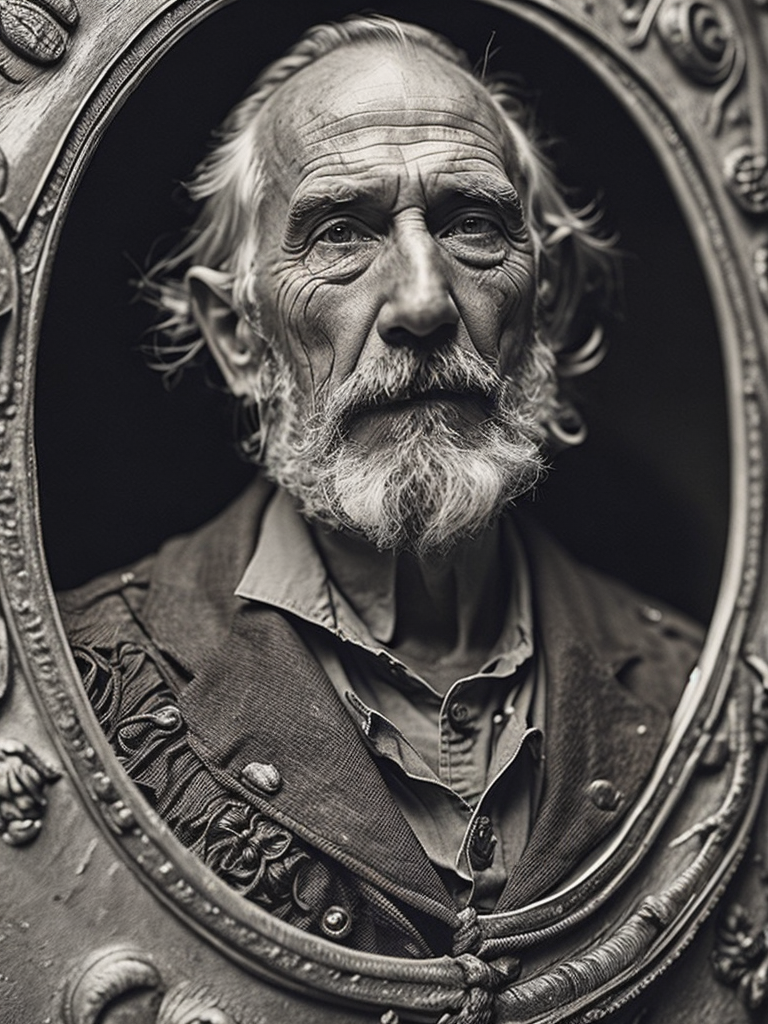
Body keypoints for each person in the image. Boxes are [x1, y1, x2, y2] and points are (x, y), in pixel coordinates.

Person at [58, 15, 702, 960]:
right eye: (339, 236)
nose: (423, 301)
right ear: (240, 338)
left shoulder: (702, 687)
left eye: (472, 224)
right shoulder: (70, 685)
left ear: (548, 301)